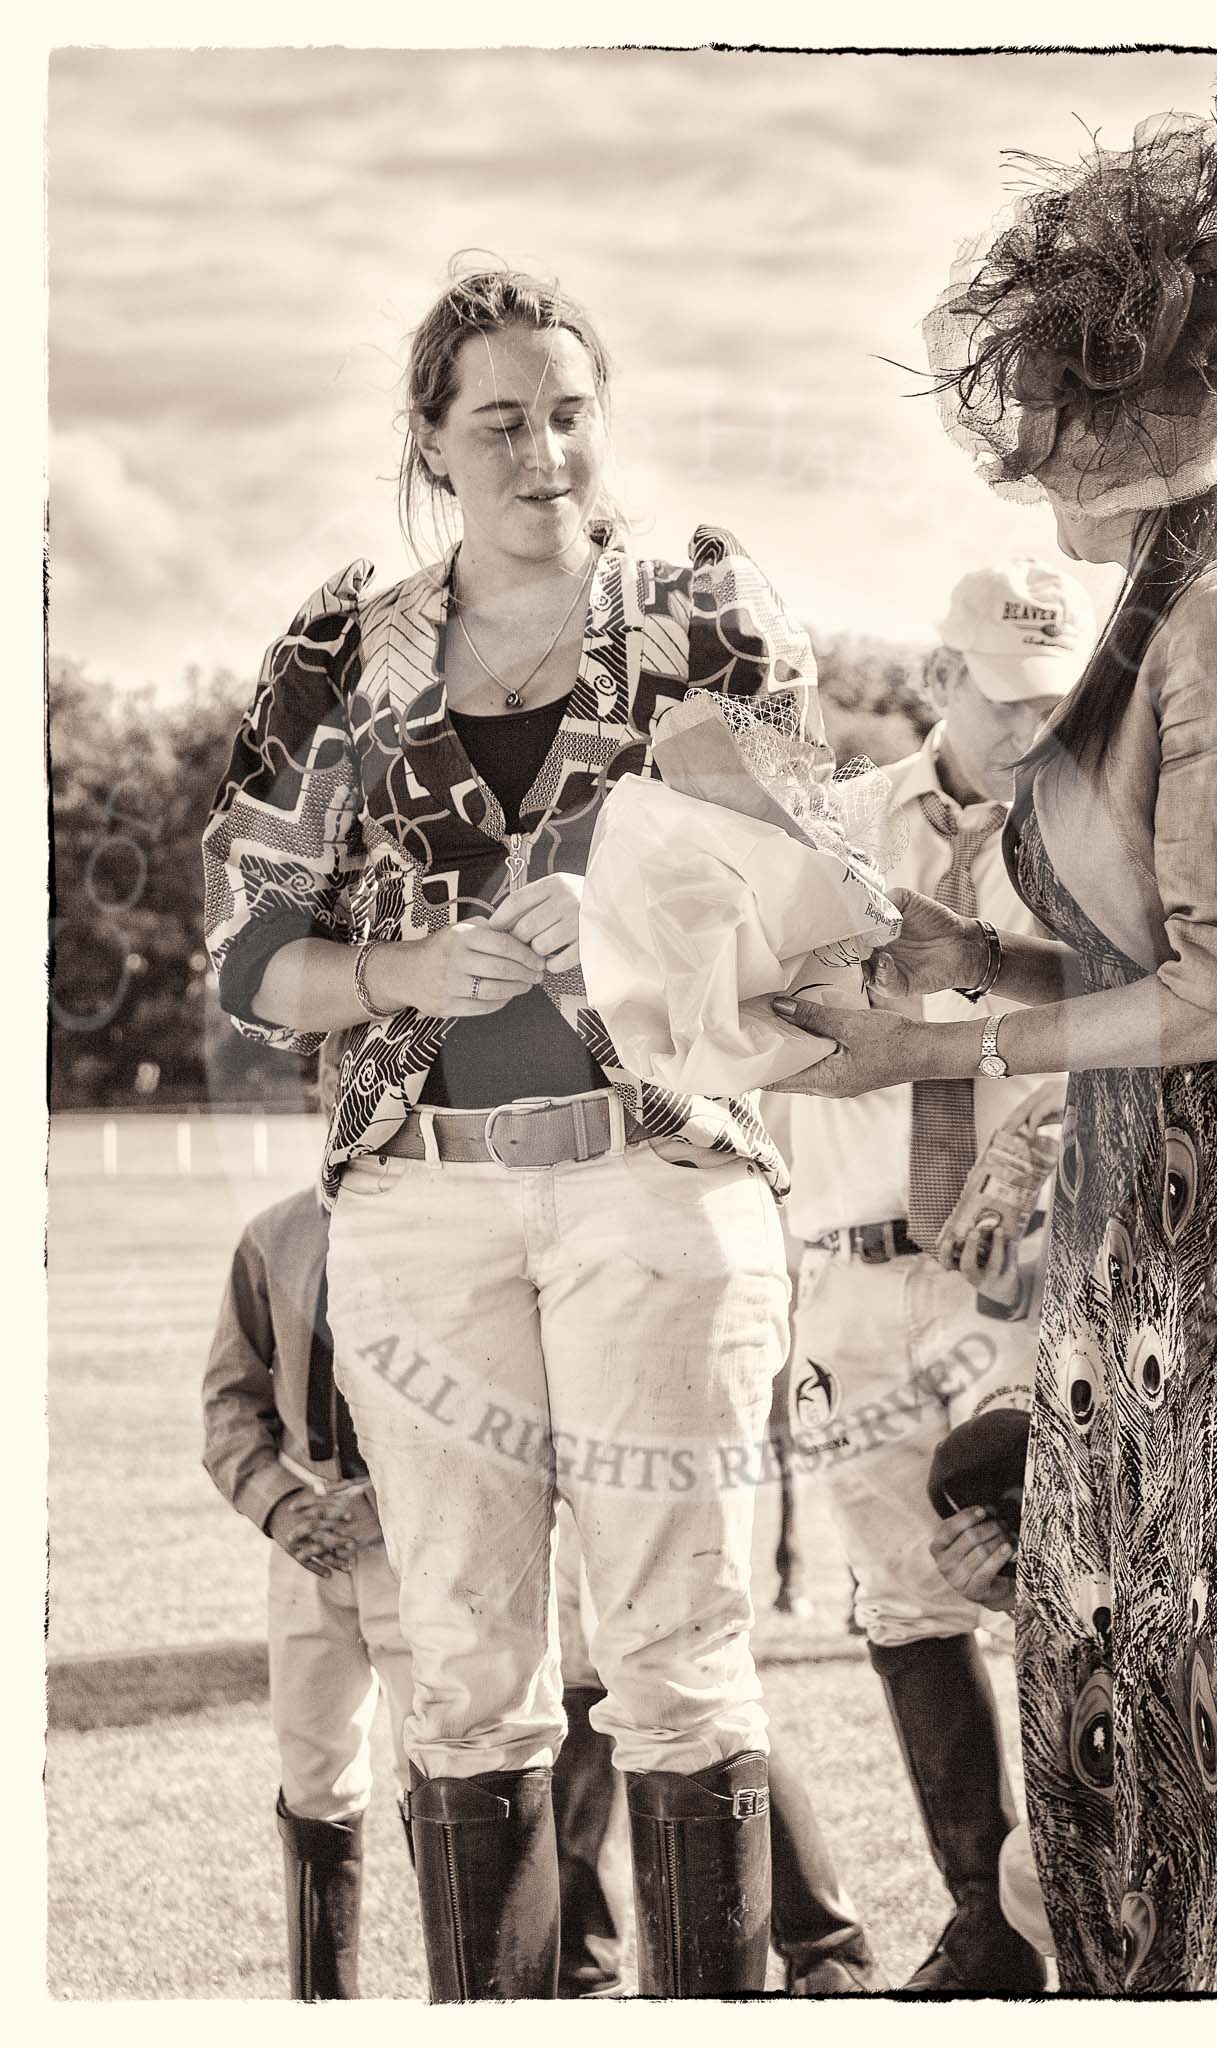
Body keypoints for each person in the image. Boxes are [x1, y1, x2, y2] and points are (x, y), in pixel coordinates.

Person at [201, 261, 880, 1999]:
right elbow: (250, 959)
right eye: (499, 420)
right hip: (421, 1218)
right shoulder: (336, 652)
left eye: (571, 413)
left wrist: (655, 902)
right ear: (430, 442)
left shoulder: (710, 622)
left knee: (676, 1657)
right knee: (464, 1669)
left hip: (660, 1183)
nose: (544, 451)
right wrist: (406, 962)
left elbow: (824, 895)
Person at [772, 69, 1217, 1995]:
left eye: (1084, 429)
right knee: (1104, 1771)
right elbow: (1128, 961)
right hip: (1130, 1277)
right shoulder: (1165, 619)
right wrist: (962, 964)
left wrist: (943, 1055)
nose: (1050, 471)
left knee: (1202, 1788)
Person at [773, 559, 1090, 1992]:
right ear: (941, 679)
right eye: (1006, 696)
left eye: (1056, 700)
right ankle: (986, 1923)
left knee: (1043, 1577)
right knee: (904, 1601)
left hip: (1015, 1281)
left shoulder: (1096, 844)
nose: (1032, 725)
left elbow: (1142, 1029)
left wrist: (1035, 1188)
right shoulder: (832, 829)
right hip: (846, 1270)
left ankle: (1069, 1901)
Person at [202, 1040, 631, 1999]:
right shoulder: (274, 1238)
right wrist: (283, 1506)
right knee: (315, 1776)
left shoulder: (471, 1230)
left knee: (447, 1766)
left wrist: (391, 1499)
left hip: (432, 1540)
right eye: (335, 1077)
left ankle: (473, 1988)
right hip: (307, 1550)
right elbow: (231, 1405)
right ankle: (324, 2001)